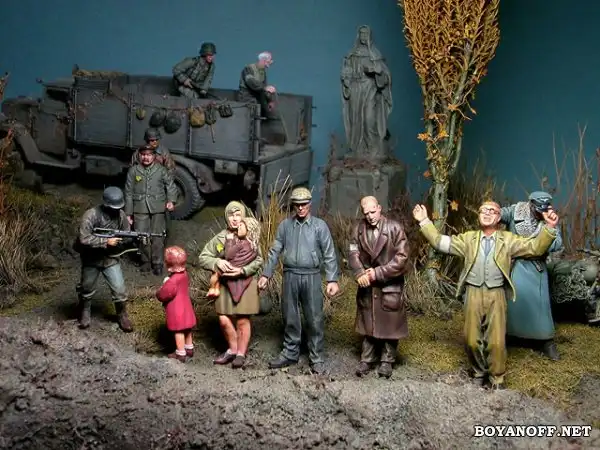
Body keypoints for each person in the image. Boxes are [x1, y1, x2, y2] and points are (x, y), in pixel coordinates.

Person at [413, 200, 559, 389]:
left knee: (496, 341)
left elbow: (535, 248)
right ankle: (478, 371)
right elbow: (440, 242)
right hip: (473, 293)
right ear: (478, 216)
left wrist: (549, 227)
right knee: (471, 339)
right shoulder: (468, 239)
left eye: (492, 211)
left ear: (499, 218)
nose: (487, 213)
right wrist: (424, 221)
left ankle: (497, 378)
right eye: (483, 210)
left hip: (496, 295)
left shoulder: (508, 240)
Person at [258, 187, 340, 375]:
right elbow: (274, 251)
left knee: (314, 317)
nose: (301, 208)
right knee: (290, 315)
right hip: (290, 275)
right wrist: (266, 274)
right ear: (293, 206)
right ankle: (290, 352)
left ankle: (317, 357)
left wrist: (332, 279)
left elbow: (329, 254)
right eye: (297, 205)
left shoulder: (319, 226)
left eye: (304, 204)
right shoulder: (285, 226)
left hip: (312, 276)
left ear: (310, 204)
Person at [347, 196, 410, 378]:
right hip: (367, 287)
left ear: (380, 208)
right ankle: (367, 359)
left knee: (390, 326)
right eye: (366, 213)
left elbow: (402, 259)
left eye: (373, 211)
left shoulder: (394, 228)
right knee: (368, 324)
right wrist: (360, 272)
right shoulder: (358, 229)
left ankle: (387, 361)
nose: (370, 216)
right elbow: (353, 253)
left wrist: (378, 273)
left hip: (389, 286)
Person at [198, 201, 263, 369]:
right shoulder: (220, 238)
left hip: (246, 282)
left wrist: (244, 270)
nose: (234, 219)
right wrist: (217, 262)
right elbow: (203, 257)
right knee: (223, 318)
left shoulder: (250, 234)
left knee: (243, 319)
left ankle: (240, 353)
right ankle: (232, 349)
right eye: (231, 215)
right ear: (227, 217)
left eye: (238, 215)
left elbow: (259, 259)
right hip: (226, 283)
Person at [500, 191, 564, 360]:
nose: (539, 212)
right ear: (531, 204)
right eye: (537, 208)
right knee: (511, 301)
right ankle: (507, 335)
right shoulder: (516, 211)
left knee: (539, 306)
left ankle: (545, 339)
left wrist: (549, 226)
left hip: (536, 268)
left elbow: (557, 243)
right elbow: (500, 214)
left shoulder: (549, 219)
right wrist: (491, 212)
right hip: (514, 265)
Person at [73, 186, 133, 332]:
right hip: (91, 258)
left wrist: (125, 240)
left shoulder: (121, 216)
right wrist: (105, 241)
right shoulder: (91, 215)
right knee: (86, 287)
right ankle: (85, 311)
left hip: (110, 258)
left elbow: (126, 234)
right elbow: (84, 238)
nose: (115, 210)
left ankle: (122, 314)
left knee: (119, 289)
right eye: (113, 207)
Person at [124, 144, 178, 275]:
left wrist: (171, 200)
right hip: (139, 208)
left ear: (154, 156)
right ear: (139, 155)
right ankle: (145, 260)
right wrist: (128, 213)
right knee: (142, 236)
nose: (146, 157)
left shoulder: (161, 170)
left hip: (158, 208)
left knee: (157, 236)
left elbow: (170, 186)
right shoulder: (134, 171)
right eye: (143, 155)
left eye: (149, 155)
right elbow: (128, 192)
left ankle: (157, 262)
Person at [156, 246, 197, 362]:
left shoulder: (172, 281)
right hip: (186, 306)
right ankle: (189, 347)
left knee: (178, 331)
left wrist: (160, 291)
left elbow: (165, 294)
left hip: (176, 309)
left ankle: (180, 352)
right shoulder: (184, 274)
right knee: (187, 328)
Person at [237, 51, 277, 117]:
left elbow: (264, 87)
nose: (271, 62)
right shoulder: (249, 68)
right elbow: (251, 82)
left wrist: (270, 100)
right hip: (246, 99)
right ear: (264, 60)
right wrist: (265, 88)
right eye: (270, 60)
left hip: (257, 100)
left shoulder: (262, 72)